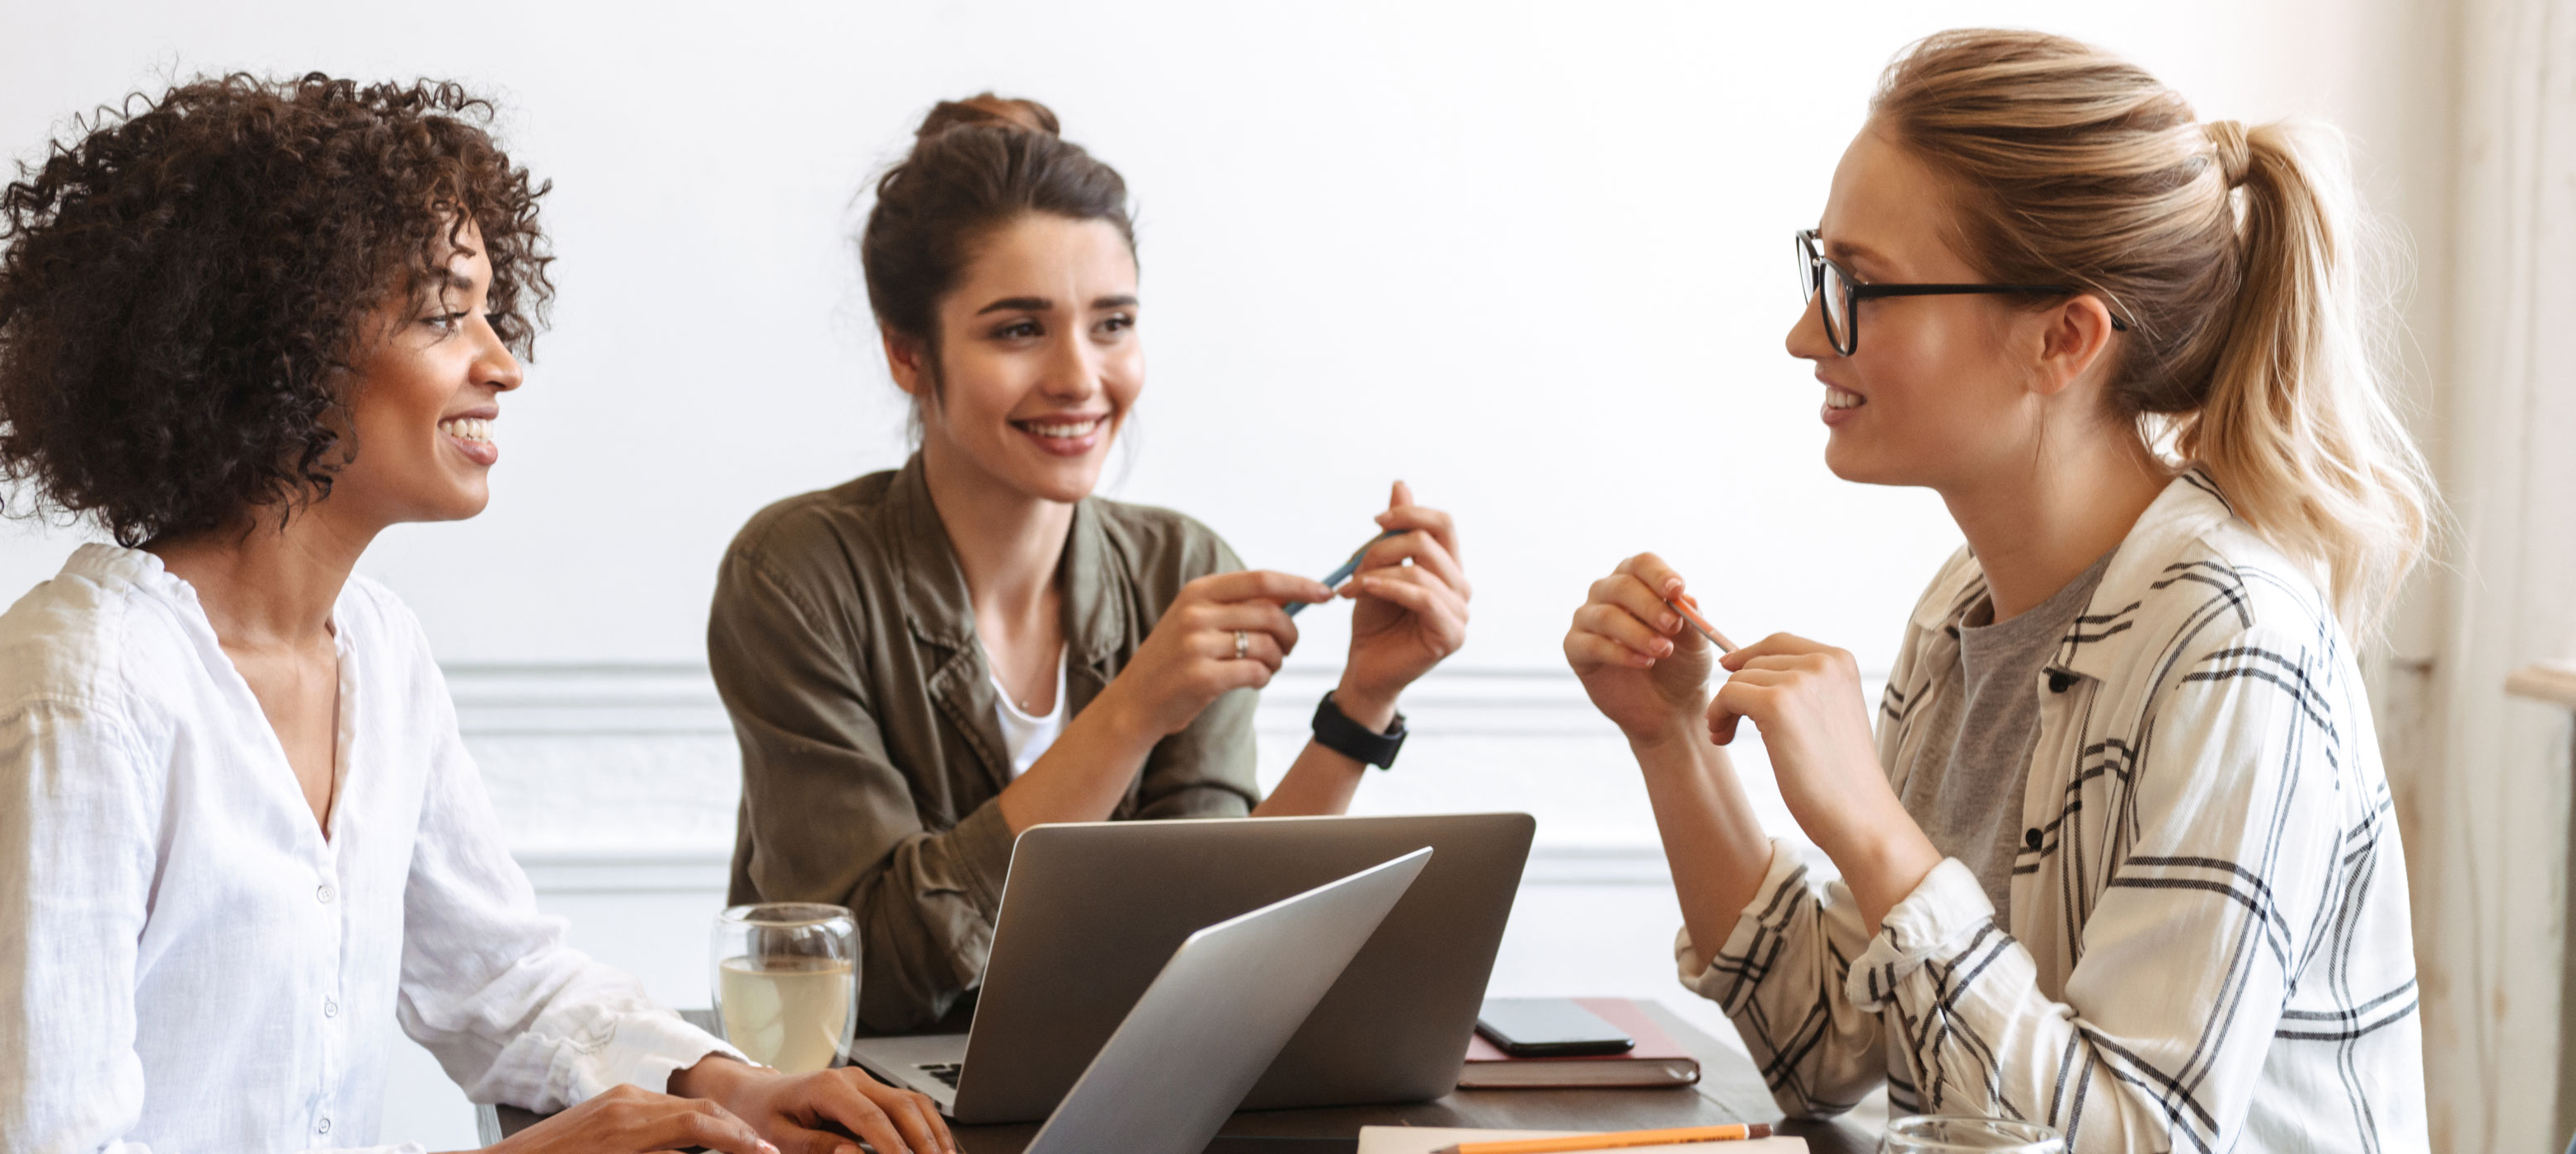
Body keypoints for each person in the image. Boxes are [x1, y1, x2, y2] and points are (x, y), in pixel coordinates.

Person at [0, 74, 947, 1154]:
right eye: (447, 317)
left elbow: (498, 979)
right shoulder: (80, 701)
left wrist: (728, 1080)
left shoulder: (377, 655)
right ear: (273, 354)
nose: (504, 365)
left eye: (495, 313)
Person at [1560, 30, 2432, 1150]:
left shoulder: (2234, 647)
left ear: (2063, 339)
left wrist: (1876, 833)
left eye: (1858, 286)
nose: (1801, 334)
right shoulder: (1966, 606)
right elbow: (1826, 1048)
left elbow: (2134, 1135)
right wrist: (1671, 738)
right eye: (1819, 272)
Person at [710, 95, 1474, 1034]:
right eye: (1018, 329)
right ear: (910, 354)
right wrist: (1131, 709)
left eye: (1112, 323)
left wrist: (1362, 705)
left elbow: (1218, 931)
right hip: (867, 1109)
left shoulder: (1180, 566)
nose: (1081, 377)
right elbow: (871, 971)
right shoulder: (797, 576)